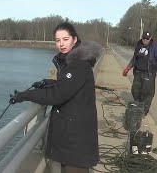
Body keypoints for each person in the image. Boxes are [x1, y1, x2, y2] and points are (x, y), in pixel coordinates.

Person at [9, 22, 101, 173]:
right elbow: (68, 86)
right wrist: (50, 82)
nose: (61, 44)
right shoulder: (72, 62)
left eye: (65, 39)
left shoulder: (77, 65)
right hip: (72, 135)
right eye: (58, 40)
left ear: (75, 39)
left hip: (76, 140)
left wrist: (25, 95)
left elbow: (57, 96)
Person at [122, 31, 157, 115]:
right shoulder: (139, 45)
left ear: (150, 38)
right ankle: (137, 106)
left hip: (149, 73)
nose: (145, 40)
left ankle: (143, 111)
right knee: (135, 90)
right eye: (144, 38)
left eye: (147, 39)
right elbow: (134, 58)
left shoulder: (154, 47)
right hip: (138, 72)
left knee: (147, 93)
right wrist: (128, 68)